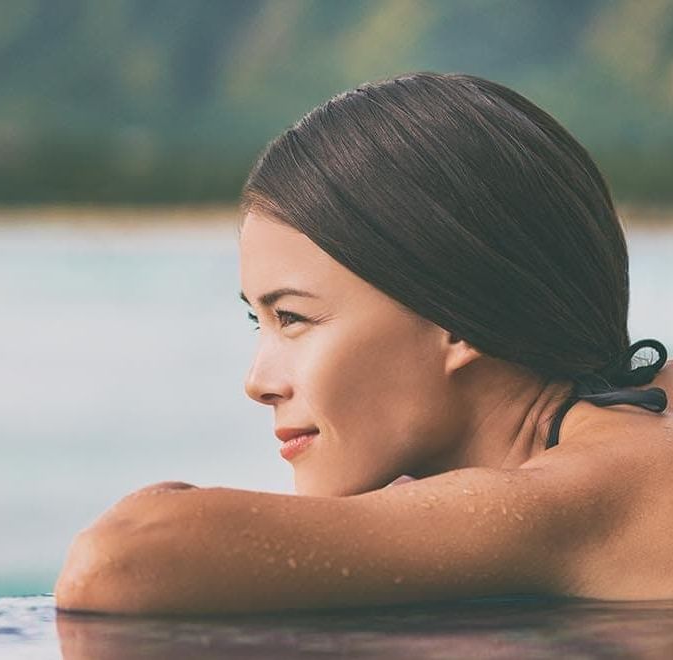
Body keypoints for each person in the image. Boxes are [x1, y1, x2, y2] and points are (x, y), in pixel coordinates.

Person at [54, 72, 670, 613]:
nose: (258, 382)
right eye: (257, 323)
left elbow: (120, 560)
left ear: (458, 319)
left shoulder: (574, 498)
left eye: (293, 318)